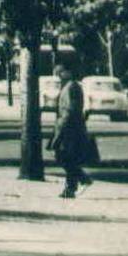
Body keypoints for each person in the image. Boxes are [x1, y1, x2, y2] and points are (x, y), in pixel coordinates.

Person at [49, 61, 94, 198]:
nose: (59, 76)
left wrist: (61, 129)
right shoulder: (69, 86)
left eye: (61, 72)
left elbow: (70, 110)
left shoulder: (71, 87)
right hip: (69, 127)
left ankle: (81, 179)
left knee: (64, 157)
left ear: (68, 72)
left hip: (69, 129)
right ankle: (71, 188)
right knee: (68, 158)